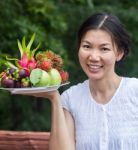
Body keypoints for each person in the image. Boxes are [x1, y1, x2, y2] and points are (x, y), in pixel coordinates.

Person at [19, 12, 138, 150]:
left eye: (104, 49)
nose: (94, 57)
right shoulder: (71, 99)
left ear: (119, 53)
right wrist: (55, 99)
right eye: (87, 46)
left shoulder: (135, 91)